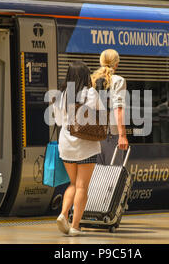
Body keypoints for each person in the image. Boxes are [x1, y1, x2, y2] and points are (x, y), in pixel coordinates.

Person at [53, 60, 104, 236]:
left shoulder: (61, 95)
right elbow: (101, 114)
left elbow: (59, 121)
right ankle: (75, 226)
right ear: (85, 75)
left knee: (73, 183)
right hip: (86, 145)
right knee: (82, 186)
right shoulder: (90, 93)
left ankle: (63, 214)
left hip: (66, 144)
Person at [91, 49, 129, 165]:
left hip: (92, 137)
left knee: (96, 178)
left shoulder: (92, 79)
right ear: (116, 64)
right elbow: (119, 108)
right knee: (112, 177)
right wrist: (122, 135)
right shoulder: (118, 81)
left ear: (101, 62)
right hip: (110, 136)